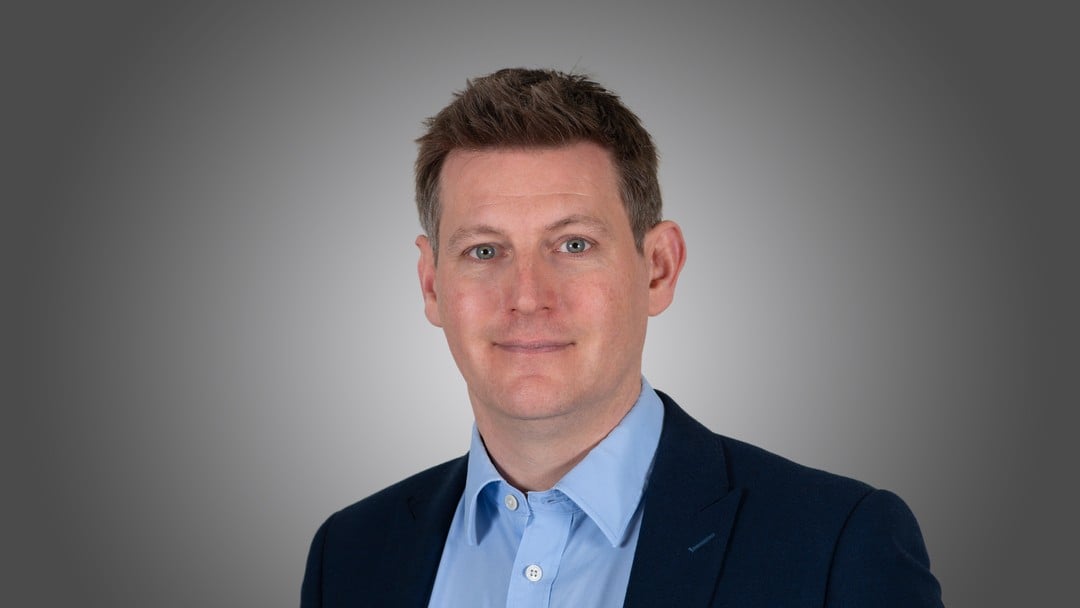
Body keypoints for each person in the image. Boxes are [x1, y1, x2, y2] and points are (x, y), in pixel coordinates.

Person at [301, 68, 943, 607]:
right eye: (484, 250)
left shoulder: (835, 544)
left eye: (573, 245)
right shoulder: (350, 555)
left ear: (658, 268)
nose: (527, 296)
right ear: (432, 285)